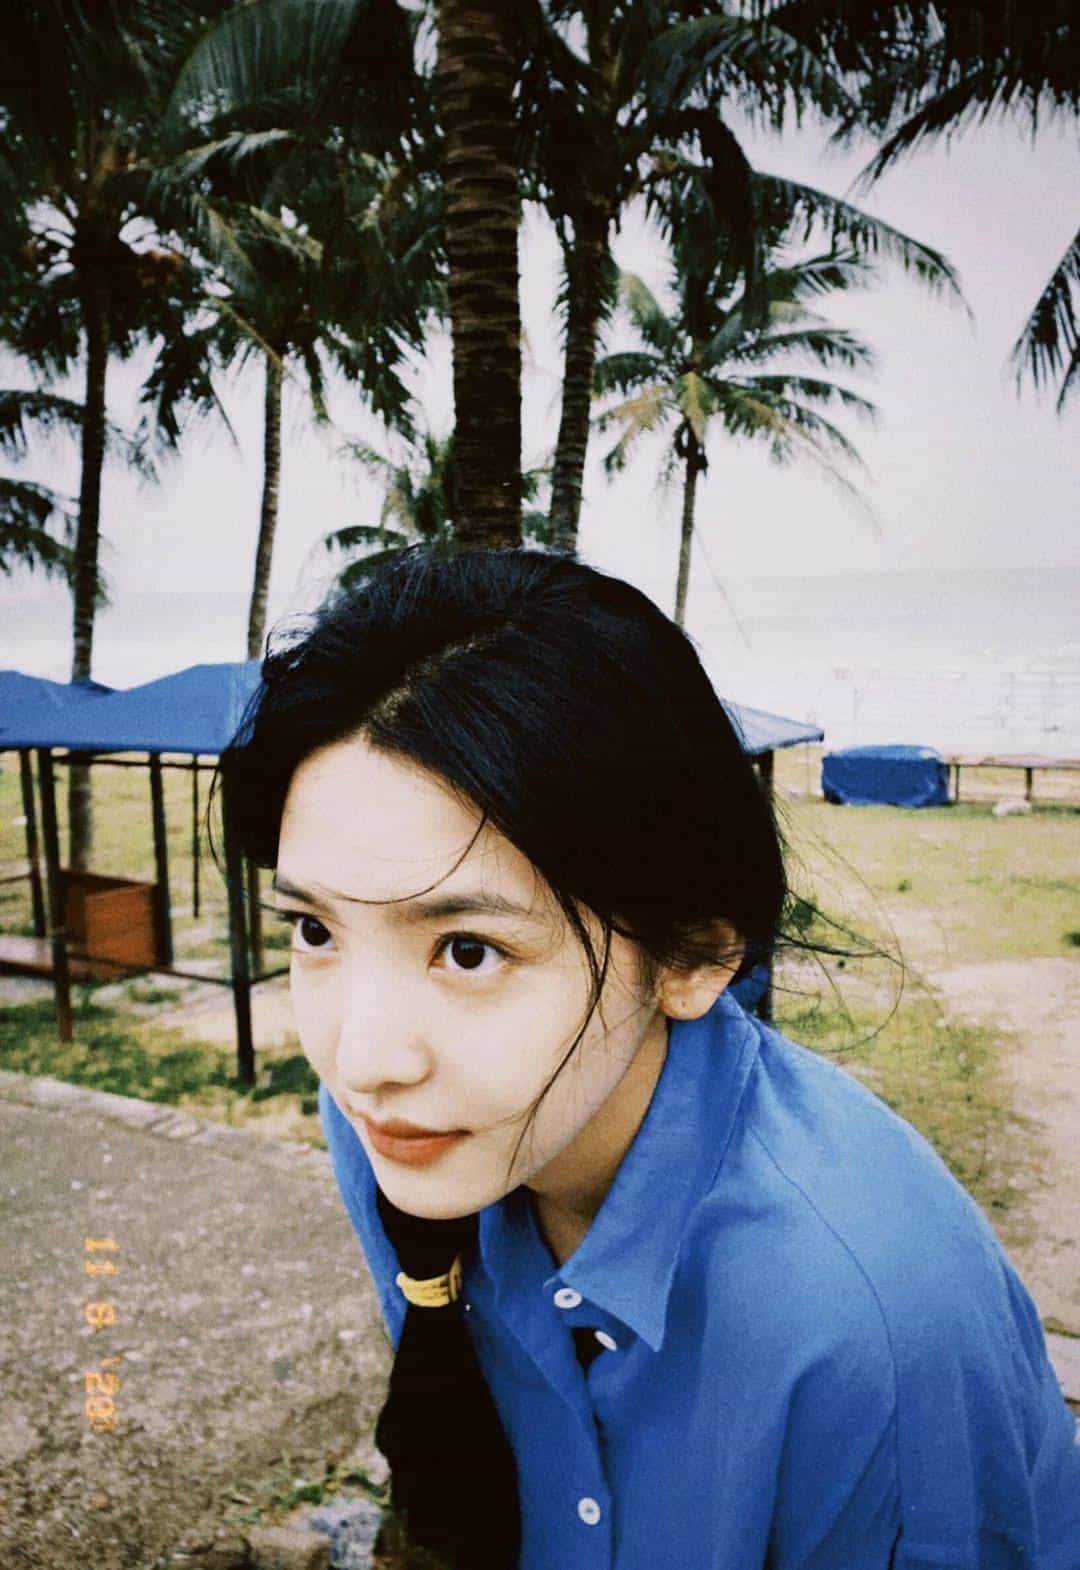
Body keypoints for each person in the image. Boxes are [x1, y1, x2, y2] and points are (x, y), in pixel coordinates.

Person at [215, 545, 1080, 1570]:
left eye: (469, 950)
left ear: (695, 954)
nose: (361, 1059)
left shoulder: (870, 1329)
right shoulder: (400, 1134)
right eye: (316, 931)